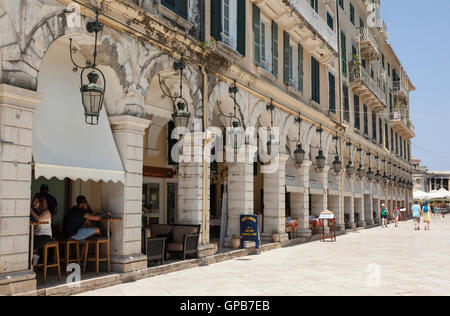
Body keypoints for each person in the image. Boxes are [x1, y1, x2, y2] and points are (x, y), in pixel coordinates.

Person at [30, 194, 53, 266]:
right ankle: (33, 263)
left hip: (45, 235)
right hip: (36, 235)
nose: (34, 203)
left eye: (36, 202)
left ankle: (33, 264)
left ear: (41, 203)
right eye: (34, 201)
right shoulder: (35, 212)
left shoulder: (47, 212)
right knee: (27, 242)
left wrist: (30, 210)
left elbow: (39, 219)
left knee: (32, 244)